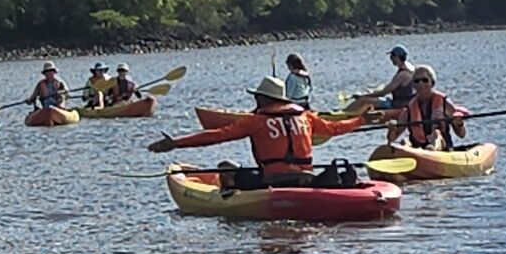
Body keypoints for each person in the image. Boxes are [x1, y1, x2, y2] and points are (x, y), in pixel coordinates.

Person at [150, 76, 360, 187]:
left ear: (263, 98)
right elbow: (335, 128)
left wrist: (176, 143)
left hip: (273, 180)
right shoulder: (306, 117)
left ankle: (230, 206)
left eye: (257, 97)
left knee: (225, 167)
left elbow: (218, 135)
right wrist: (360, 120)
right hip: (305, 177)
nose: (255, 100)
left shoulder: (256, 121)